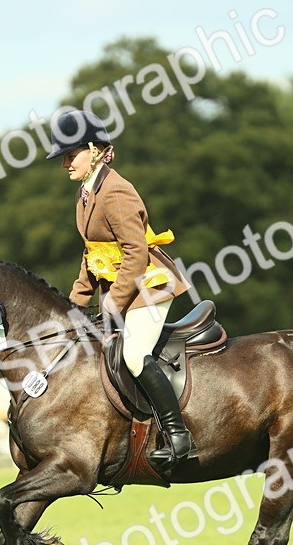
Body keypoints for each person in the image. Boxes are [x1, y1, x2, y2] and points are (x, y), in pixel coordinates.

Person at [45, 109, 197, 476]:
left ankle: (179, 437)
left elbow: (136, 252)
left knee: (132, 354)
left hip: (149, 286)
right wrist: (72, 307)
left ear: (96, 150)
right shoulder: (86, 194)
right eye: (64, 156)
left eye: (71, 154)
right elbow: (92, 258)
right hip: (125, 288)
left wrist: (113, 301)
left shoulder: (116, 192)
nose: (65, 162)